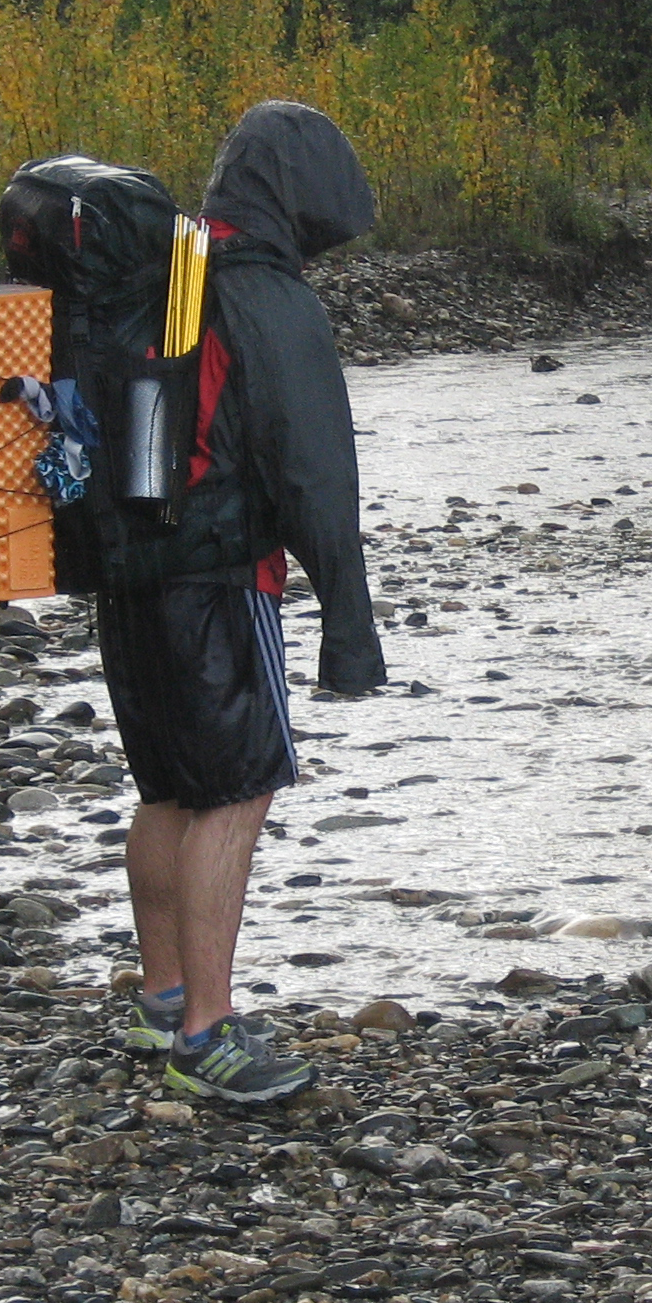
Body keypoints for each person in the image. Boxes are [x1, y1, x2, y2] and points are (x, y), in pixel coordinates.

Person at [104, 101, 387, 1103]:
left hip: (123, 571)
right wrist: (349, 626)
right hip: (219, 575)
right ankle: (207, 1035)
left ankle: (161, 998)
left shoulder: (167, 270)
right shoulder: (263, 293)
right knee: (237, 788)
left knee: (169, 788)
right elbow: (312, 469)